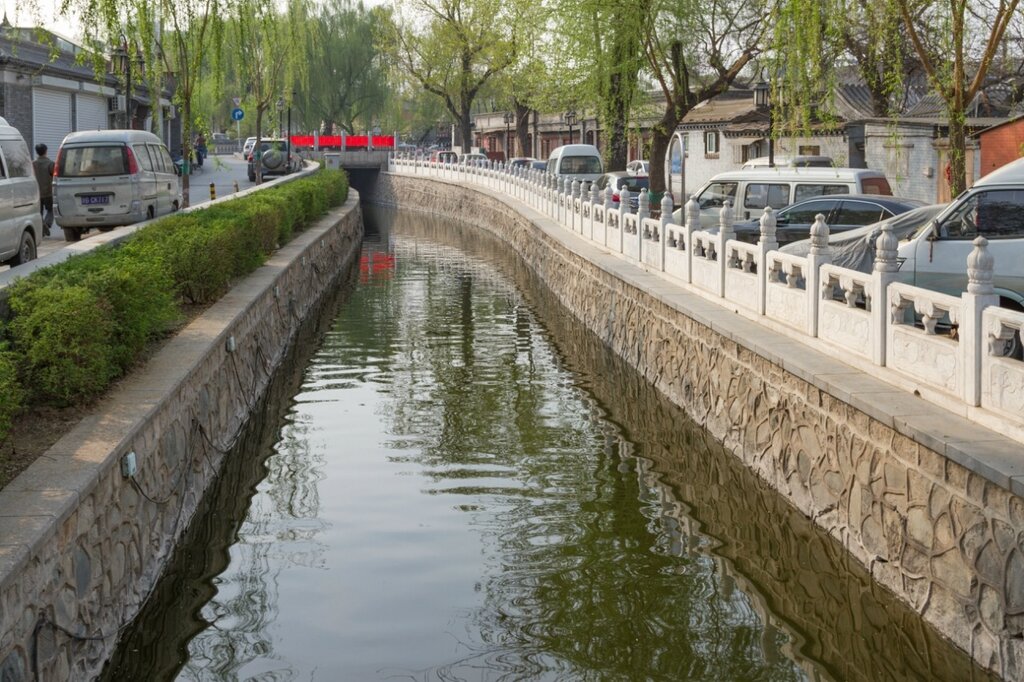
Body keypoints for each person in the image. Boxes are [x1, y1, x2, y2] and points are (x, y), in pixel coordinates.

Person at [32, 143, 54, 237]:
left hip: (36, 193)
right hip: (48, 192)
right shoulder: (50, 163)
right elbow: (54, 176)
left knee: (39, 212)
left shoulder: (33, 164)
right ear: (46, 151)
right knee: (50, 210)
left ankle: (41, 228)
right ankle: (47, 223)